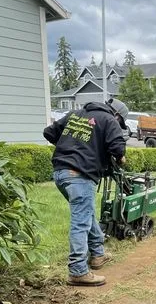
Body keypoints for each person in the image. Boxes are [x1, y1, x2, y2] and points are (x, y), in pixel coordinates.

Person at [43, 99, 128, 286]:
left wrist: (72, 146)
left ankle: (98, 254)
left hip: (60, 173)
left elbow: (49, 132)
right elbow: (117, 147)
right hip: (80, 175)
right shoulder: (108, 119)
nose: (118, 124)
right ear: (117, 115)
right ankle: (78, 271)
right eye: (120, 122)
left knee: (86, 213)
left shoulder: (75, 115)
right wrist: (121, 158)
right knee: (80, 222)